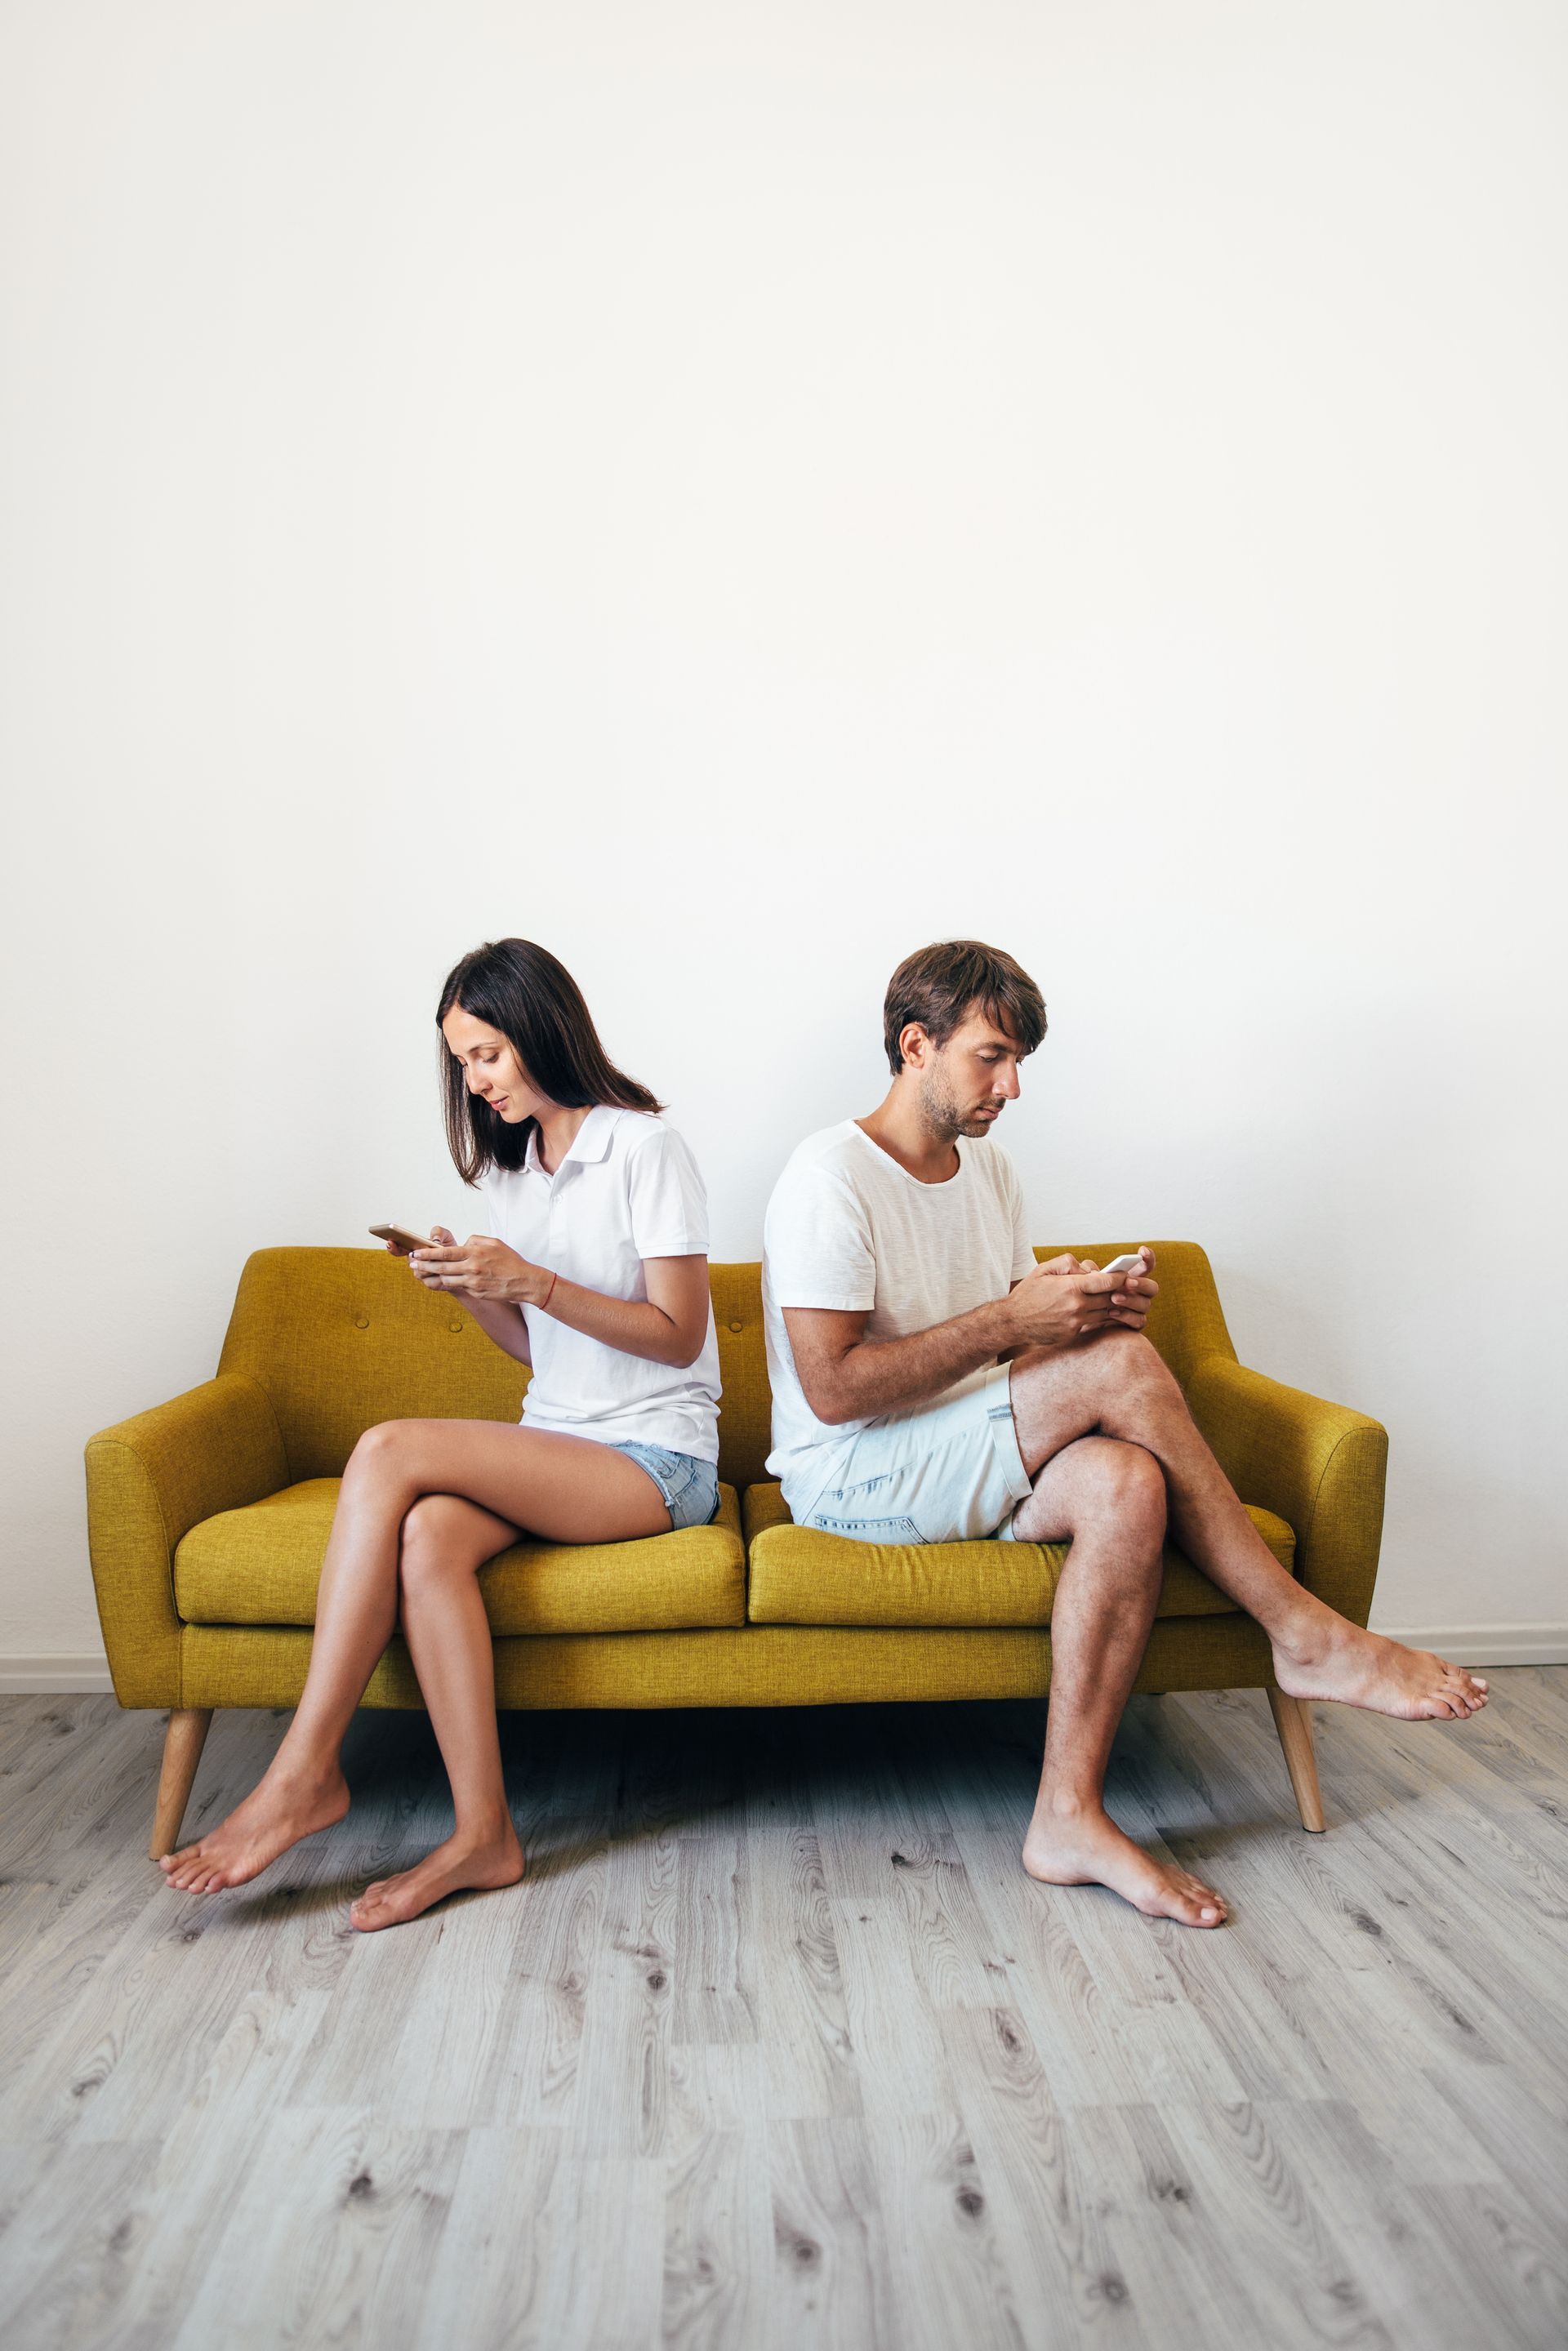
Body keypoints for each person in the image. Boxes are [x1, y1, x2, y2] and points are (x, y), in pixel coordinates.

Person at [762, 937, 1490, 1930]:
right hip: (854, 1476)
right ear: (916, 1043)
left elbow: (1000, 1332)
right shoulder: (827, 1176)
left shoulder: (990, 1170)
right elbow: (835, 1391)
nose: (1012, 1085)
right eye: (991, 1056)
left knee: (1125, 1485)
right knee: (1121, 1377)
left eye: (1021, 1061)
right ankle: (1304, 1629)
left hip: (961, 1451)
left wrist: (1074, 1303)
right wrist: (1024, 1326)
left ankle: (1066, 1815)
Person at [161, 937, 722, 1928]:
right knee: (426, 1537)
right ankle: (484, 1835)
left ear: (545, 1030)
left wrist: (534, 1279)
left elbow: (679, 1339)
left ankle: (305, 1770)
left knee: (386, 1449)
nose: (478, 1080)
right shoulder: (510, 1170)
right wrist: (471, 1287)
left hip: (657, 1460)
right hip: (561, 1440)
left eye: (489, 1054)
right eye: (463, 1061)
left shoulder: (642, 1147)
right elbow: (537, 1352)